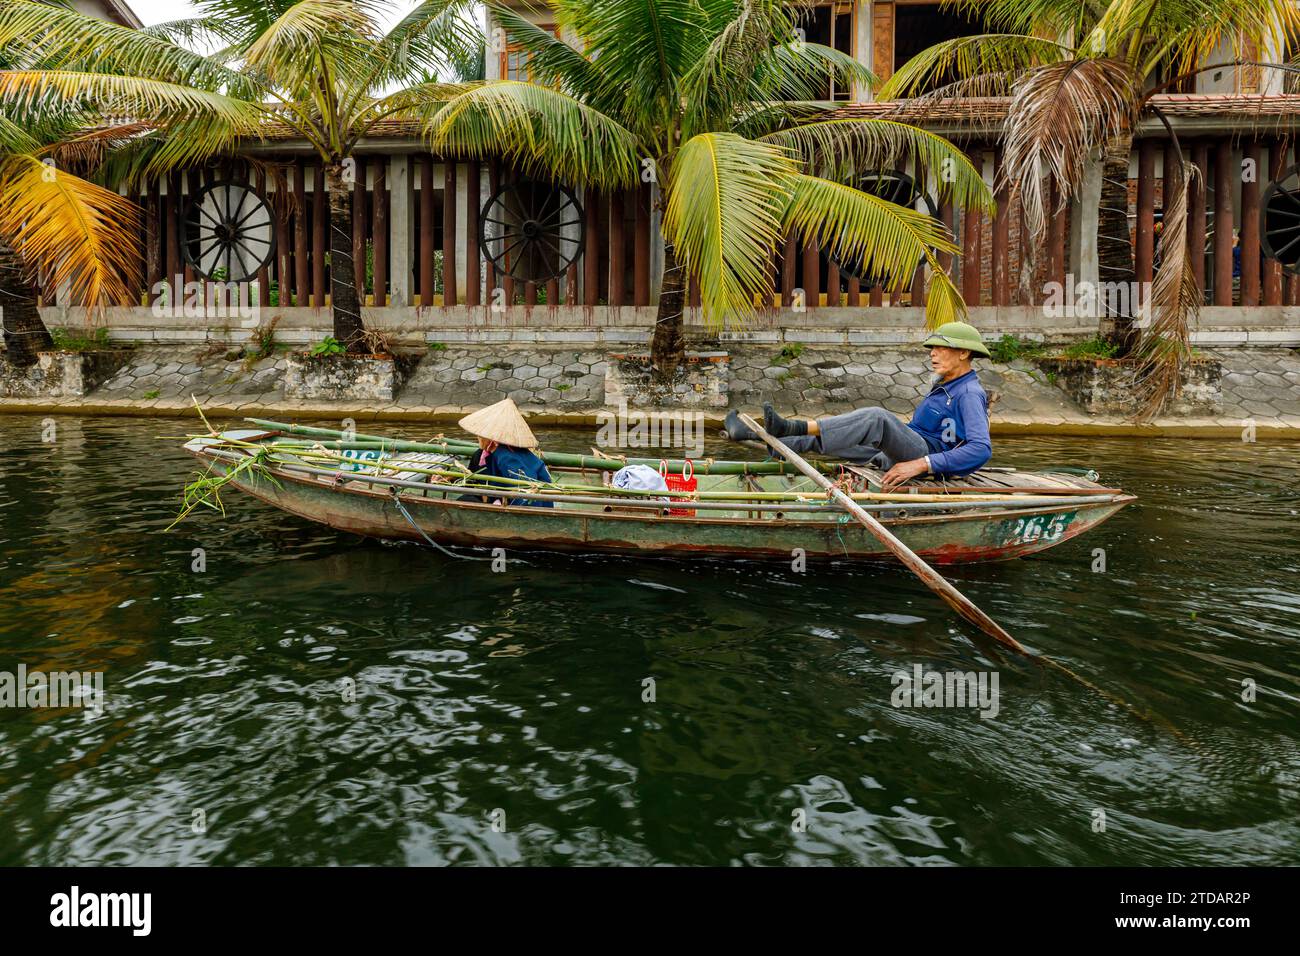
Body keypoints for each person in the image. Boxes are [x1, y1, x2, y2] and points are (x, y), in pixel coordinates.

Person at [724, 322, 993, 491]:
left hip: (925, 457)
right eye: (931, 348)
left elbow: (980, 450)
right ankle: (753, 433)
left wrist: (921, 465)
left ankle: (791, 425)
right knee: (831, 438)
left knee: (878, 418)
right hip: (909, 447)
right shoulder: (944, 384)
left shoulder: (968, 393)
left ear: (964, 353)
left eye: (940, 348)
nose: (932, 353)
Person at [458, 398, 554, 507]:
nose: (477, 437)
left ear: (491, 438)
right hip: (503, 499)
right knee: (466, 498)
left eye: (481, 434)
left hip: (534, 507)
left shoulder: (507, 457)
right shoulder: (484, 454)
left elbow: (525, 492)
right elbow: (472, 480)